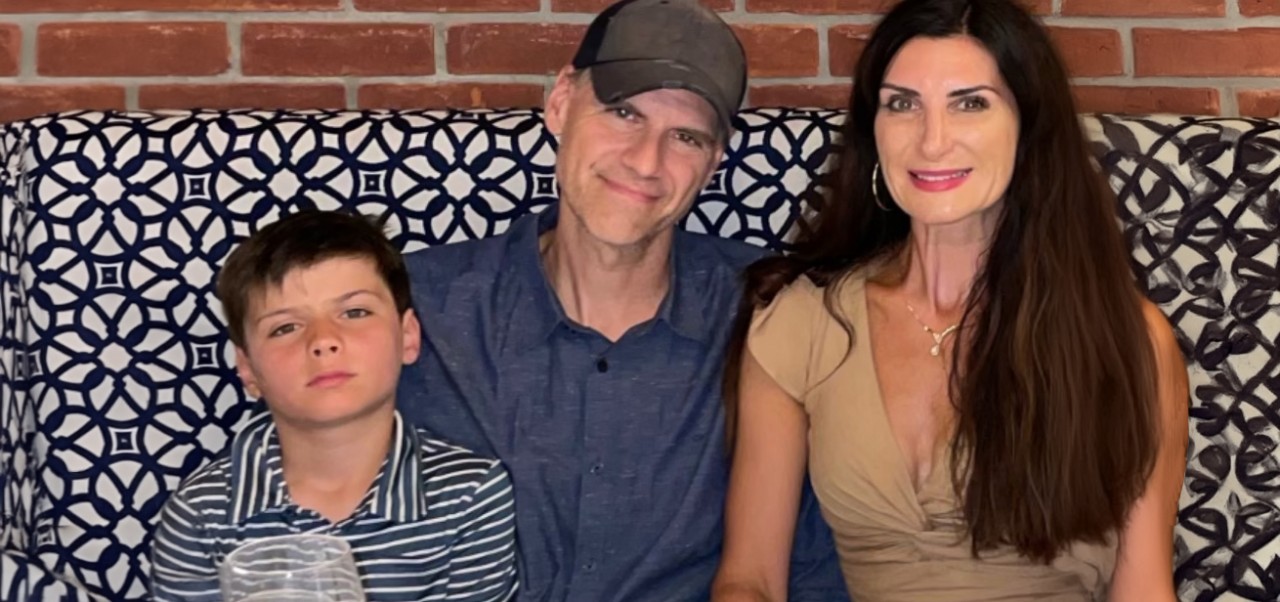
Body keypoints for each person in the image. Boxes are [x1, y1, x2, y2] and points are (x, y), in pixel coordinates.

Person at [710, 0, 1189, 600]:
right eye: (902, 103)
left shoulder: (1129, 341)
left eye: (970, 103)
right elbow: (750, 579)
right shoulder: (802, 317)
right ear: (872, 129)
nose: (932, 142)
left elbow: (1142, 590)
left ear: (1029, 129)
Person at [394, 0, 848, 600]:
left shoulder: (773, 314)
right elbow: (287, 506)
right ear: (560, 102)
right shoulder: (411, 307)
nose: (645, 161)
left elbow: (810, 569)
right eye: (623, 112)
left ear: (714, 162)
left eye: (684, 136)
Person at [150, 211, 518, 602]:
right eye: (285, 327)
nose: (323, 340)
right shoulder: (201, 515)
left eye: (354, 312)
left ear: (407, 336)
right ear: (248, 369)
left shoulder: (470, 494)